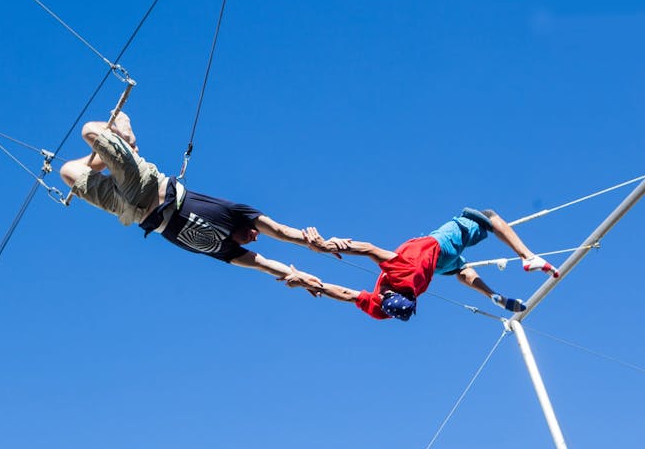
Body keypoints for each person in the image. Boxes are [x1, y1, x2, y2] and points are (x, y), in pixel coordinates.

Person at [59, 111, 339, 290]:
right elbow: (280, 232)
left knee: (67, 172)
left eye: (254, 240)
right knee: (89, 131)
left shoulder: (228, 250)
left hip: (131, 211)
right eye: (255, 234)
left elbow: (264, 265)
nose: (256, 237)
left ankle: (114, 156)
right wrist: (315, 244)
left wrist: (303, 278)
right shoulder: (235, 212)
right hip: (146, 185)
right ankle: (127, 137)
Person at [291, 208, 560, 321]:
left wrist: (313, 283)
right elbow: (370, 250)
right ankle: (528, 256)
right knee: (487, 216)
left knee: (462, 271)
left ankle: (492, 295)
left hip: (438, 267)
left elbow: (347, 295)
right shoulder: (400, 274)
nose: (380, 292)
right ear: (393, 295)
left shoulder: (387, 306)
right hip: (440, 246)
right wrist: (328, 246)